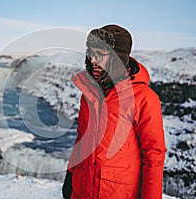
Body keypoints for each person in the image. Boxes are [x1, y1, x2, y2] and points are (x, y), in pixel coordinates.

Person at [62, 24, 167, 199]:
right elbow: (82, 138)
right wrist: (71, 173)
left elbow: (154, 156)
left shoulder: (143, 98)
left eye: (101, 55)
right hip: (82, 190)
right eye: (91, 53)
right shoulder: (89, 93)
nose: (93, 60)